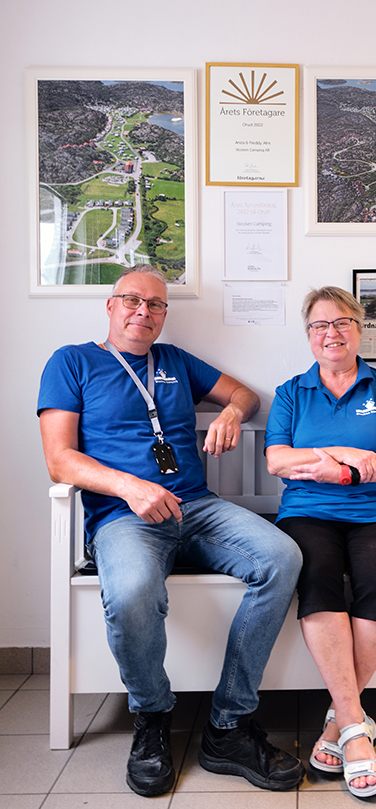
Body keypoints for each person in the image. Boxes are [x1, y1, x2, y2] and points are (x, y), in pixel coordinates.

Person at [38, 264, 304, 797]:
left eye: (156, 304)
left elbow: (247, 396)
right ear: (111, 306)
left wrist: (230, 412)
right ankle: (153, 718)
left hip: (197, 509)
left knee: (283, 557)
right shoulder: (72, 361)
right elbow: (59, 460)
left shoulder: (176, 362)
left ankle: (228, 725)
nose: (144, 311)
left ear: (164, 315)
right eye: (133, 300)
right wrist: (130, 488)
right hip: (125, 520)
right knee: (134, 590)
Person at [264, 286, 376, 799]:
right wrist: (343, 453)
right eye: (319, 326)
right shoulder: (292, 391)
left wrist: (342, 473)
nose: (330, 333)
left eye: (341, 323)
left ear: (358, 329)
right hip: (308, 512)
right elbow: (277, 460)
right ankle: (355, 723)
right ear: (308, 335)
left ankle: (338, 724)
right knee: (316, 576)